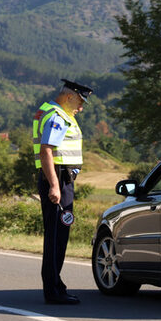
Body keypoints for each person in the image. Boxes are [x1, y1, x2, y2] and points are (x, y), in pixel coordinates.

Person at [33, 79, 93, 304]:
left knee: (58, 235)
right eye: (80, 102)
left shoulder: (54, 112)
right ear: (69, 97)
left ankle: (55, 285)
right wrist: (55, 186)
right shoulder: (57, 116)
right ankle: (53, 289)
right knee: (57, 237)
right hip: (58, 178)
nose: (81, 108)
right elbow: (46, 151)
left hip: (61, 178)